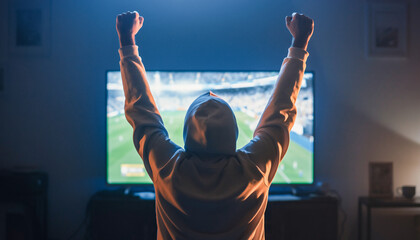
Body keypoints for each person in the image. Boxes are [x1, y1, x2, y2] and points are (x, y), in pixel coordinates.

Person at [116, 11, 313, 240]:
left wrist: (127, 42)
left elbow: (142, 112)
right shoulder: (254, 170)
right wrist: (299, 45)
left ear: (188, 131)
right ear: (234, 131)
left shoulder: (168, 170)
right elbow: (280, 112)